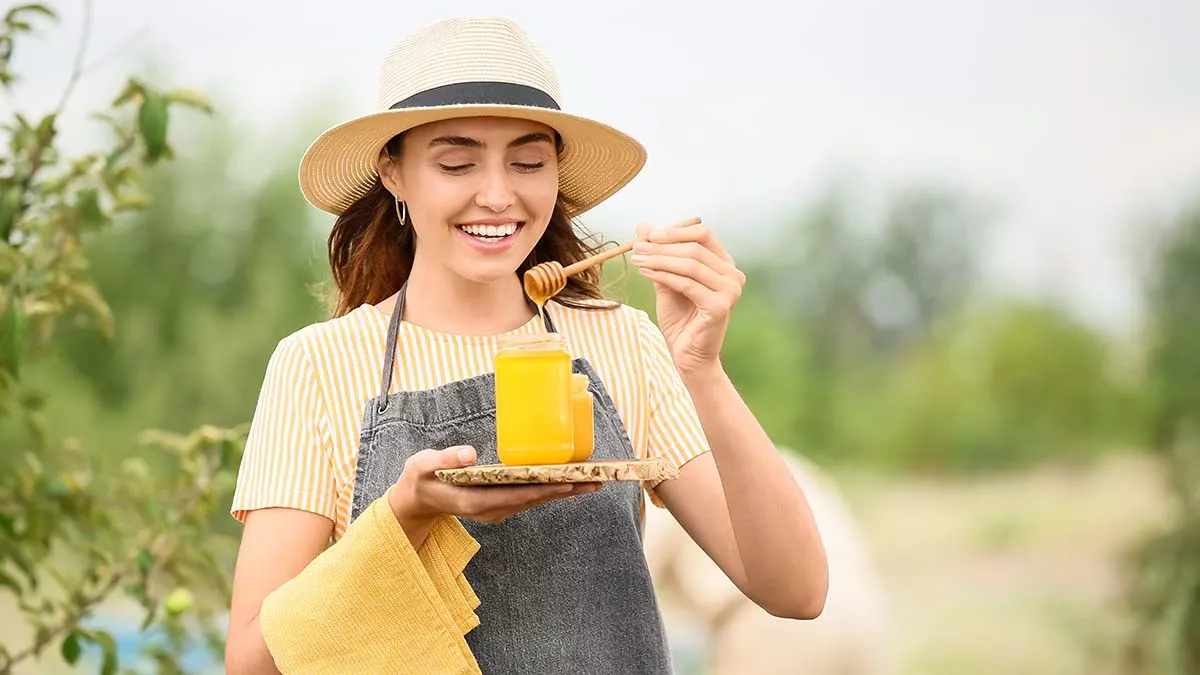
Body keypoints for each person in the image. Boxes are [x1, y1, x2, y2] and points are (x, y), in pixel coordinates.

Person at [224, 16, 829, 675]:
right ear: (393, 173)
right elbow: (251, 662)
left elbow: (797, 590)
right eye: (456, 162)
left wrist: (701, 368)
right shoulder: (316, 367)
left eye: (529, 161)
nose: (498, 194)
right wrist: (406, 517)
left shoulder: (623, 341)